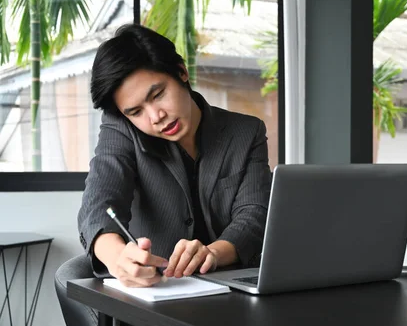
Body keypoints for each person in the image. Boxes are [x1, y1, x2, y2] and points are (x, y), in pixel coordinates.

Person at [55, 23, 271, 325]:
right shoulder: (123, 130)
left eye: (158, 94)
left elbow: (254, 214)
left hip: (230, 289)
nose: (155, 117)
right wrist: (118, 258)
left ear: (181, 72)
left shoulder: (245, 131)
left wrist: (212, 252)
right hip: (157, 292)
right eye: (136, 112)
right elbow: (100, 202)